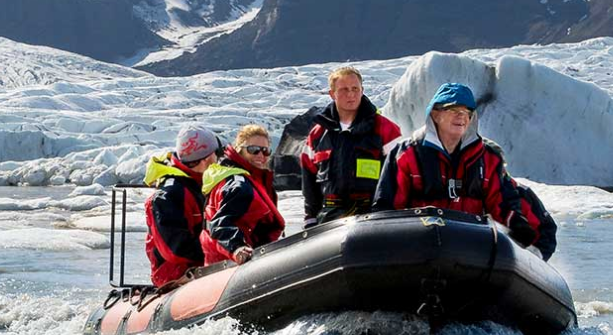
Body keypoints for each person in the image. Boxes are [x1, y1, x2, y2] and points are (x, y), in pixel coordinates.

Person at [370, 82, 542, 251]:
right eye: (453, 110)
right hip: (418, 245)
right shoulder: (406, 154)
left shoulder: (489, 158)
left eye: (466, 112)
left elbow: (502, 203)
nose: (461, 117)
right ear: (435, 115)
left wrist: (517, 225)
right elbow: (387, 207)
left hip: (471, 248)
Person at [300, 66, 402, 228]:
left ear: (362, 90)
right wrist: (310, 217)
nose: (351, 94)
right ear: (332, 94)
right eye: (344, 89)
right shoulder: (318, 134)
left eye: (355, 88)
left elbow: (402, 173)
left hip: (375, 217)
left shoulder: (385, 129)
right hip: (329, 218)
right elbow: (309, 180)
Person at [199, 124, 286, 266]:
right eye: (253, 150)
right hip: (232, 266)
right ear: (240, 150)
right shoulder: (238, 184)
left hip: (238, 262)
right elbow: (221, 223)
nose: (260, 155)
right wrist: (237, 247)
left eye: (265, 151)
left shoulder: (247, 179)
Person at [144, 125, 218, 288]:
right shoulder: (169, 194)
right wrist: (219, 248)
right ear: (206, 158)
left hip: (208, 265)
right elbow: (175, 249)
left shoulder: (205, 184)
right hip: (176, 274)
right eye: (216, 154)